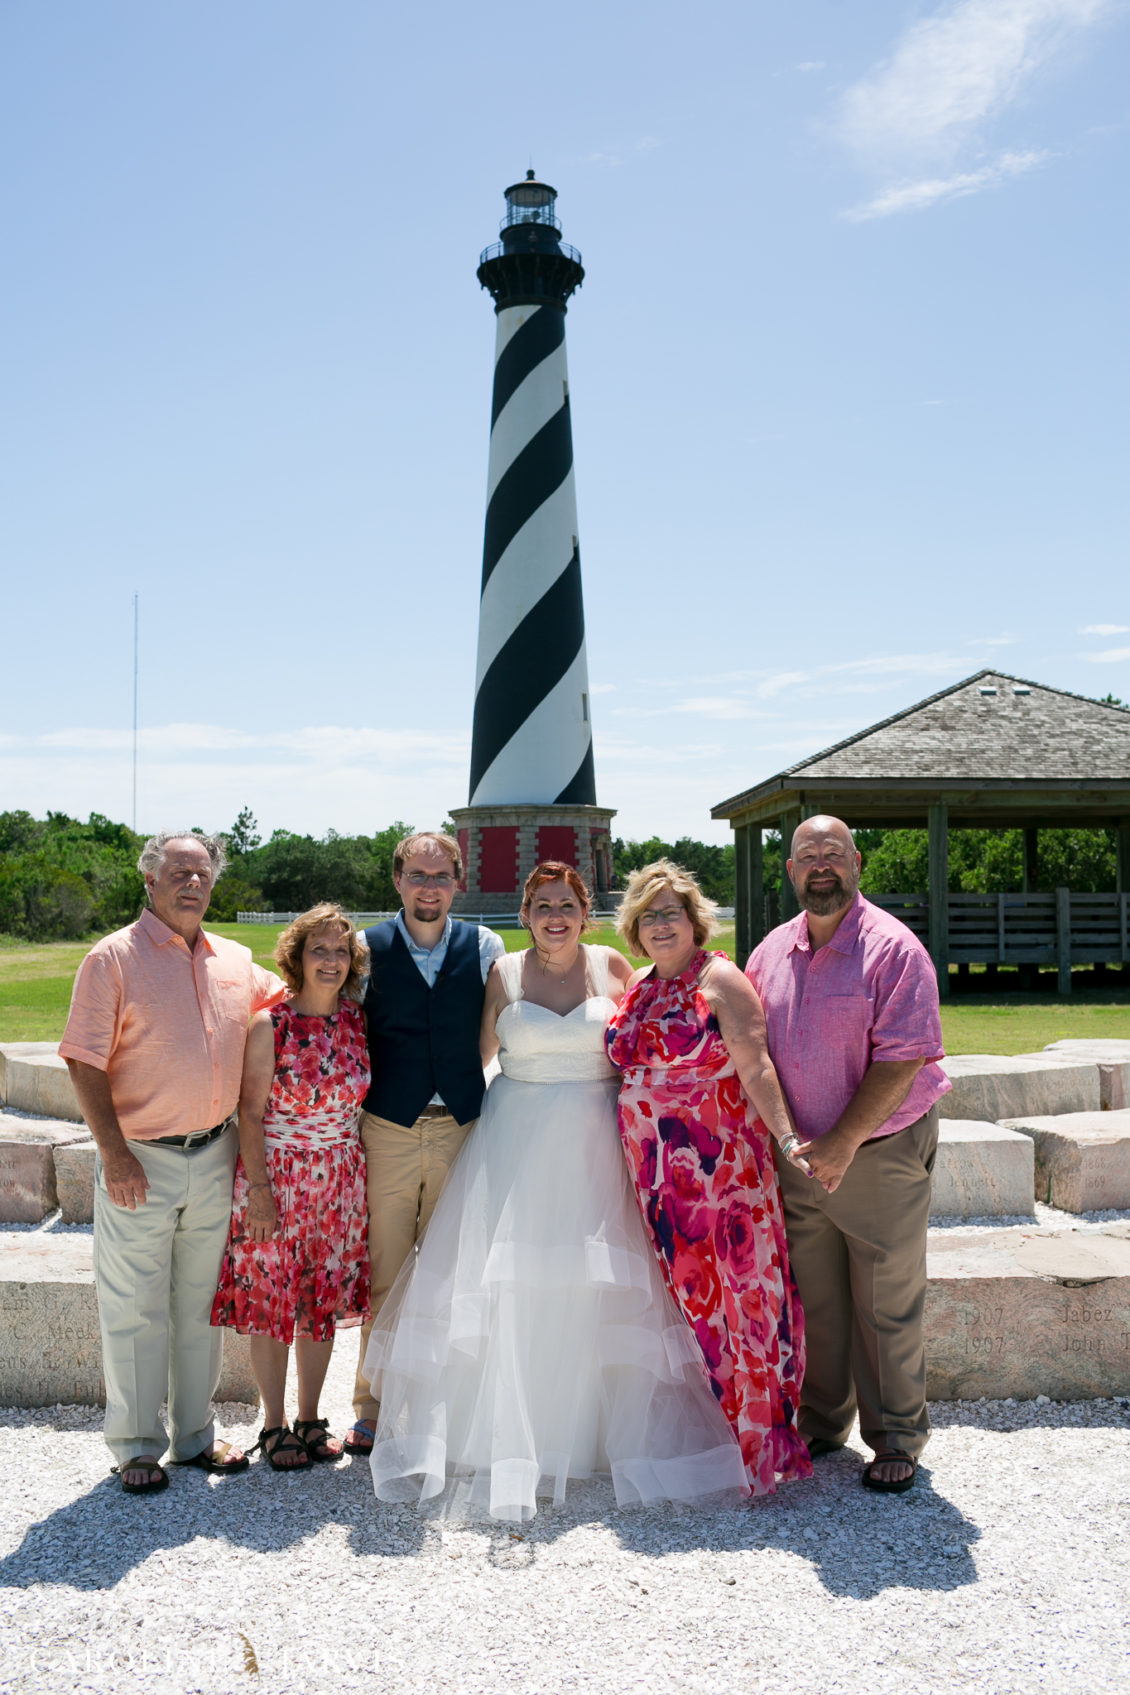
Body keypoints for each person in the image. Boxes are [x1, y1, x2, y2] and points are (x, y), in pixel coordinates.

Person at [363, 862, 750, 1522]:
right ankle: (505, 1431)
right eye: (542, 904)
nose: (555, 915)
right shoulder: (504, 974)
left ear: (585, 909)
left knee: (596, 1281)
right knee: (515, 1281)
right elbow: (476, 1052)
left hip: (597, 1138)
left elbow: (651, 1040)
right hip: (515, 1139)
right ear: (524, 911)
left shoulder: (612, 969)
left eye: (566, 903)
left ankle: (592, 1432)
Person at [59, 830, 285, 1495]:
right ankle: (135, 1444)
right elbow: (82, 1057)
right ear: (150, 883)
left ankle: (194, 1436)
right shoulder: (113, 959)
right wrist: (113, 1152)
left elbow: (292, 993)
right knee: (134, 1308)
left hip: (215, 1154)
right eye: (179, 871)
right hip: (141, 1160)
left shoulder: (237, 960)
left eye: (202, 872)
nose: (193, 882)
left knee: (199, 1306)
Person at [745, 815, 951, 1494]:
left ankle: (895, 1435)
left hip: (879, 1155)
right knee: (818, 1302)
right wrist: (790, 1143)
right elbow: (754, 1056)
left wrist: (841, 1144)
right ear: (791, 870)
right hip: (800, 1161)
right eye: (808, 855)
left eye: (834, 851)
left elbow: (903, 1059)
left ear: (857, 861)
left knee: (885, 1301)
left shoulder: (893, 949)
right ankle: (823, 1420)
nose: (822, 863)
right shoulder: (770, 952)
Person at [605, 859, 812, 1498]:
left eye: (671, 912)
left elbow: (757, 1067)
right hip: (659, 1180)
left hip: (724, 1175)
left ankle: (759, 1440)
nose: (661, 925)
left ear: (695, 920)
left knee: (744, 1299)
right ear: (634, 929)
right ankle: (709, 1434)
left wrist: (786, 1136)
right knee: (689, 1302)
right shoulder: (638, 985)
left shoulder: (720, 980)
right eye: (648, 916)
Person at [346, 830, 505, 1455]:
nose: (429, 887)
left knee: (451, 1274)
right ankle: (372, 1404)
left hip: (462, 1126)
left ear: (457, 881)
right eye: (417, 875)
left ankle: (442, 1406)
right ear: (397, 880)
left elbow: (491, 1030)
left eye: (441, 876)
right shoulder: (366, 948)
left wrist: (464, 1078)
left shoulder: (485, 945)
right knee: (386, 1271)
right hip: (387, 1126)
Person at [211, 904, 371, 1470]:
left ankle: (309, 1418)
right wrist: (259, 1189)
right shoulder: (269, 1024)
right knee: (272, 1300)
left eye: (340, 951)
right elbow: (248, 1114)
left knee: (320, 1300)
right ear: (297, 957)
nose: (331, 961)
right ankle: (273, 1424)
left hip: (340, 1180)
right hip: (277, 1177)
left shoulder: (355, 1019)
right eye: (319, 950)